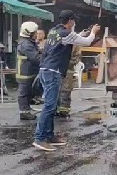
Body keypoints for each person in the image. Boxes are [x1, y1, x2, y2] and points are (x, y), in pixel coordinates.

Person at [33, 10, 100, 152]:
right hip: (53, 72)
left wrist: (81, 34)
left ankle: (49, 136)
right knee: (50, 106)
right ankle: (39, 138)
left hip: (46, 70)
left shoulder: (54, 31)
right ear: (70, 21)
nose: (74, 23)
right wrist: (93, 32)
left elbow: (71, 39)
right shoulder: (66, 34)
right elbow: (87, 42)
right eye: (73, 20)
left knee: (52, 105)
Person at [16, 22, 42, 121]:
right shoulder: (26, 44)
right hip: (24, 73)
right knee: (24, 92)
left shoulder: (29, 42)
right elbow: (35, 58)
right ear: (29, 33)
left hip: (28, 71)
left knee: (28, 91)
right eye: (35, 32)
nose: (37, 34)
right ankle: (24, 112)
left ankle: (26, 108)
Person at [55, 45, 81, 117]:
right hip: (56, 70)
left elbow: (76, 58)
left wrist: (66, 63)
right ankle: (56, 109)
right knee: (55, 91)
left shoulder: (75, 45)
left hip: (67, 71)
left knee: (66, 90)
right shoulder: (57, 42)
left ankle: (64, 110)